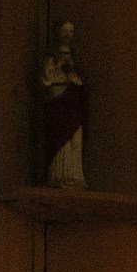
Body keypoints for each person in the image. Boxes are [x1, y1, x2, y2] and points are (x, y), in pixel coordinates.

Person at [40, 22, 86, 189]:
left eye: (70, 31)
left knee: (75, 137)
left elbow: (80, 81)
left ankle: (73, 175)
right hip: (57, 101)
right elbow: (47, 80)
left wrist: (72, 75)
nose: (67, 35)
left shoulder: (75, 56)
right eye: (64, 31)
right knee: (59, 136)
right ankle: (58, 175)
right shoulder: (52, 57)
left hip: (72, 102)